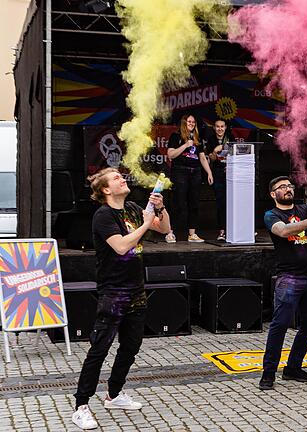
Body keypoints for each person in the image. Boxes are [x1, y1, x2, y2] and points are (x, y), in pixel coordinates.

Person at [71, 168, 171, 430]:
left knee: (131, 347)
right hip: (113, 293)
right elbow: (121, 246)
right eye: (115, 177)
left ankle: (114, 395)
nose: (122, 178)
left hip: (136, 290)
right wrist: (148, 222)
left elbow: (165, 229)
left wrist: (159, 210)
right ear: (105, 190)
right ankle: (81, 406)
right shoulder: (103, 216)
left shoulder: (135, 208)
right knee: (99, 349)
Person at [259, 176, 307, 391]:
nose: (288, 189)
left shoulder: (305, 208)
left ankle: (293, 368)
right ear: (273, 194)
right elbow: (284, 231)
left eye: (289, 186)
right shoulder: (271, 215)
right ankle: (268, 372)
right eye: (282, 187)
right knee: (280, 325)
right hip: (289, 278)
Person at [166, 114, 213, 243]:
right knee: (178, 203)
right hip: (180, 171)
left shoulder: (197, 138)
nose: (192, 124)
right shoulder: (175, 136)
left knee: (194, 203)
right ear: (183, 123)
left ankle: (192, 234)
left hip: (195, 172)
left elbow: (202, 157)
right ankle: (170, 232)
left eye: (193, 122)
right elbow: (170, 154)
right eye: (189, 122)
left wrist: (209, 173)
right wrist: (186, 145)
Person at [205, 119, 233, 241]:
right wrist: (215, 152)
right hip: (218, 174)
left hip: (232, 172)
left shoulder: (231, 137)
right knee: (221, 202)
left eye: (222, 126)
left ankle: (234, 229)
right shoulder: (211, 139)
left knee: (233, 202)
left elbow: (237, 153)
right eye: (217, 126)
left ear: (225, 127)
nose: (220, 129)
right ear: (214, 128)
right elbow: (210, 158)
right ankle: (222, 232)